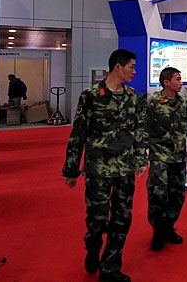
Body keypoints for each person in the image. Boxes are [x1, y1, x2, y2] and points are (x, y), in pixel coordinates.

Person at [62, 49, 147, 282]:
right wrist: (71, 169)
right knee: (97, 220)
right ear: (118, 67)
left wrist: (140, 159)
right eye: (131, 66)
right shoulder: (91, 96)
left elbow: (138, 131)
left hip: (125, 169)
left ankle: (110, 267)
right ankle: (93, 247)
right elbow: (78, 133)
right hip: (98, 169)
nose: (135, 71)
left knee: (122, 219)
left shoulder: (132, 96)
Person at [146, 67, 187, 252]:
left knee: (177, 196)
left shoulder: (183, 102)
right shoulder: (154, 103)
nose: (181, 82)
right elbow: (144, 128)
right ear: (166, 82)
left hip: (178, 158)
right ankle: (158, 231)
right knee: (158, 195)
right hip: (159, 158)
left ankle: (169, 227)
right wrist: (140, 153)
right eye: (177, 79)